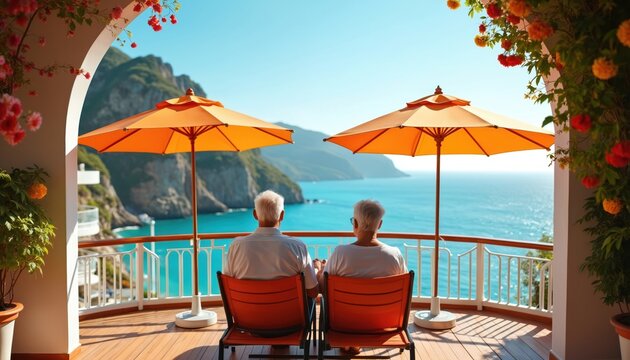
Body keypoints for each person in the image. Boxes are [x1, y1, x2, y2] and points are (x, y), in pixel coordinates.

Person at [318, 199, 407, 355]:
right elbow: (404, 293)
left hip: (343, 325)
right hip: (383, 325)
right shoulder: (395, 255)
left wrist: (321, 270)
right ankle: (354, 343)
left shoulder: (341, 253)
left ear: (355, 224)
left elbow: (323, 287)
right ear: (379, 224)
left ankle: (349, 342)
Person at [224, 190, 321, 300]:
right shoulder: (297, 246)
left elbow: (227, 286)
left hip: (247, 315)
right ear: (282, 215)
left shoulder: (236, 246)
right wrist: (316, 269)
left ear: (255, 214)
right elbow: (313, 292)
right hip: (289, 316)